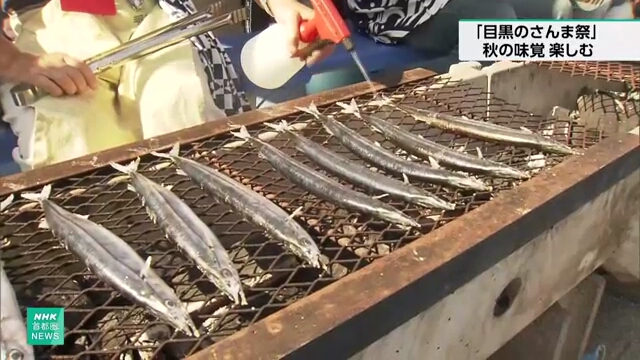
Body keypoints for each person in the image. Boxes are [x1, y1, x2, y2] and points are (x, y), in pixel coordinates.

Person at [0, 0, 251, 171]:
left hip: (148, 15)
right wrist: (15, 62)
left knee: (179, 102)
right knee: (72, 140)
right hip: (47, 26)